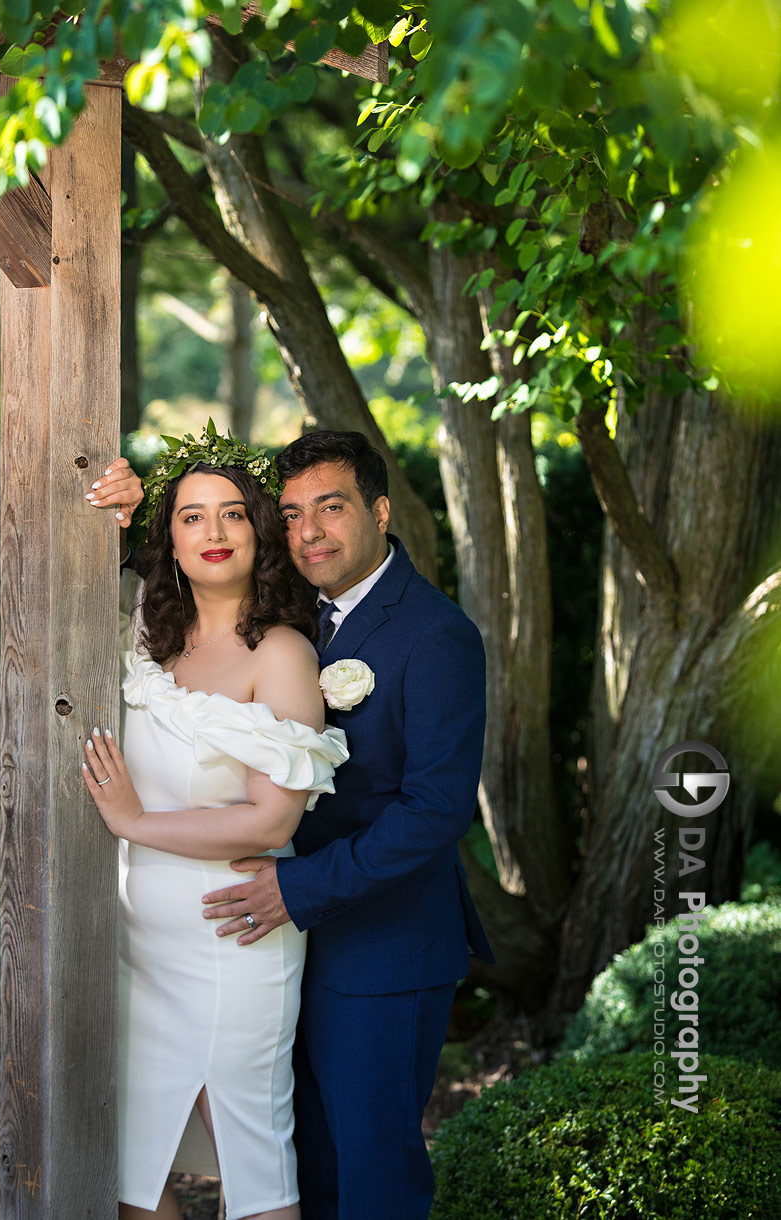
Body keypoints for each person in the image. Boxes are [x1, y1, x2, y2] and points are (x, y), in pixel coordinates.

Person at [198, 431, 493, 1220]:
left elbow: (435, 810)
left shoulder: (434, 635)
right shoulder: (291, 612)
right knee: (304, 1164)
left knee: (372, 1173)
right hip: (290, 941)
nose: (308, 533)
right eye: (290, 515)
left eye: (330, 508)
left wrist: (297, 887)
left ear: (380, 510)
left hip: (384, 947)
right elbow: (186, 570)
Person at [82, 428, 348, 1220]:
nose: (214, 533)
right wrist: (119, 507)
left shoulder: (284, 654)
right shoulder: (144, 636)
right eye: (191, 517)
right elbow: (83, 555)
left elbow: (271, 819)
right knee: (135, 1167)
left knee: (250, 1163)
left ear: (258, 532)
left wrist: (131, 821)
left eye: (232, 514)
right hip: (141, 948)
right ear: (168, 537)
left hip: (236, 943)